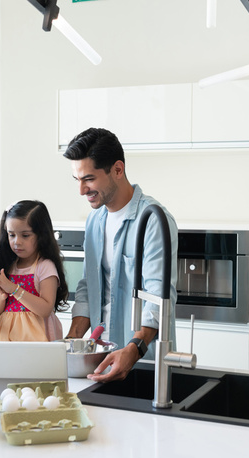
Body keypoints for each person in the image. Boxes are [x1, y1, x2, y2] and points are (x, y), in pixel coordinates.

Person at [62, 127, 178, 383]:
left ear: (117, 169)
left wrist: (134, 348)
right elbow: (86, 288)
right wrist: (71, 342)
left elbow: (158, 296)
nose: (82, 190)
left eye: (89, 179)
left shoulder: (153, 219)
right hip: (99, 358)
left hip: (141, 361)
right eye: (77, 180)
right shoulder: (94, 221)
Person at [0, 200, 68, 341]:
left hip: (35, 339)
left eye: (25, 235)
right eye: (11, 235)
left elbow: (45, 310)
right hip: (7, 336)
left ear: (41, 235)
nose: (17, 242)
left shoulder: (45, 266)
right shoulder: (9, 266)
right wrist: (1, 296)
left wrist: (13, 289)